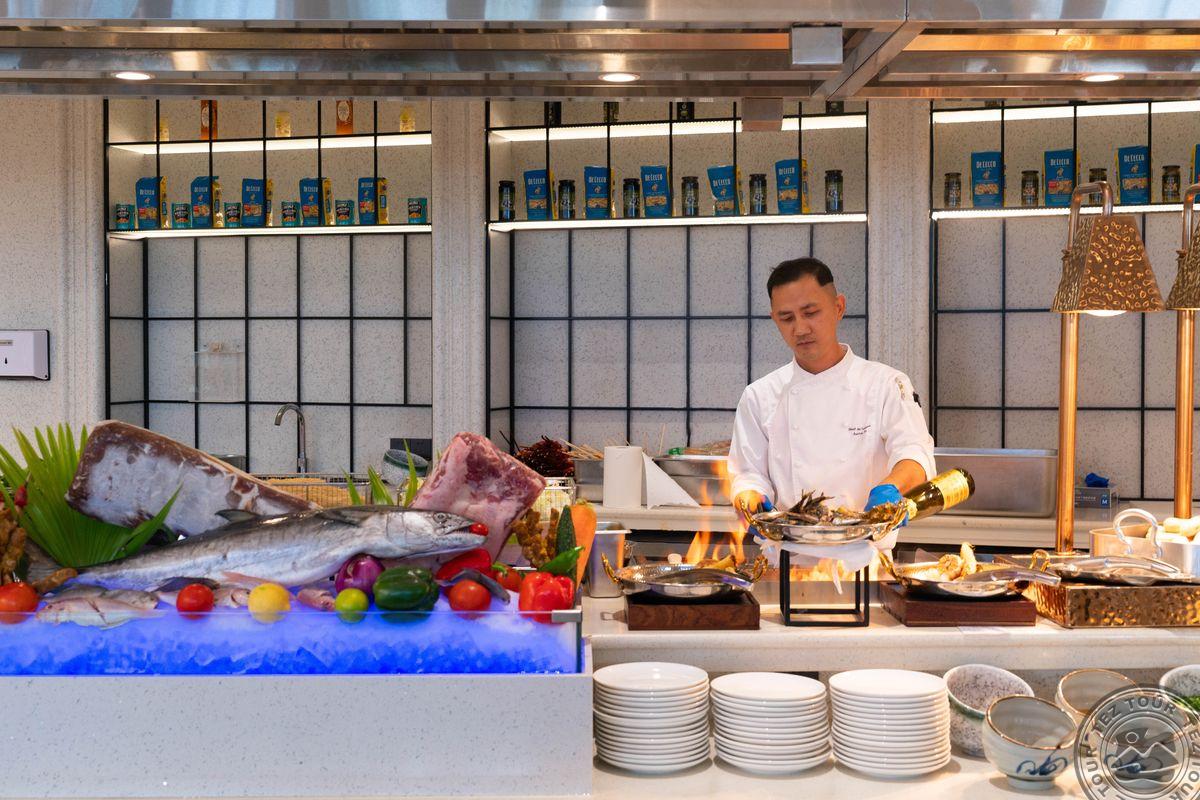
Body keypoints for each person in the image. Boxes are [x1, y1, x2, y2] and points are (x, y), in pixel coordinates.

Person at [729, 257, 935, 527]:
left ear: (839, 307)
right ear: (774, 320)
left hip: (866, 548)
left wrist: (892, 489)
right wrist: (750, 498)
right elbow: (747, 474)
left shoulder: (886, 384)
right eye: (787, 318)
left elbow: (914, 453)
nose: (800, 329)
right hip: (788, 548)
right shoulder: (759, 396)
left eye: (810, 313)